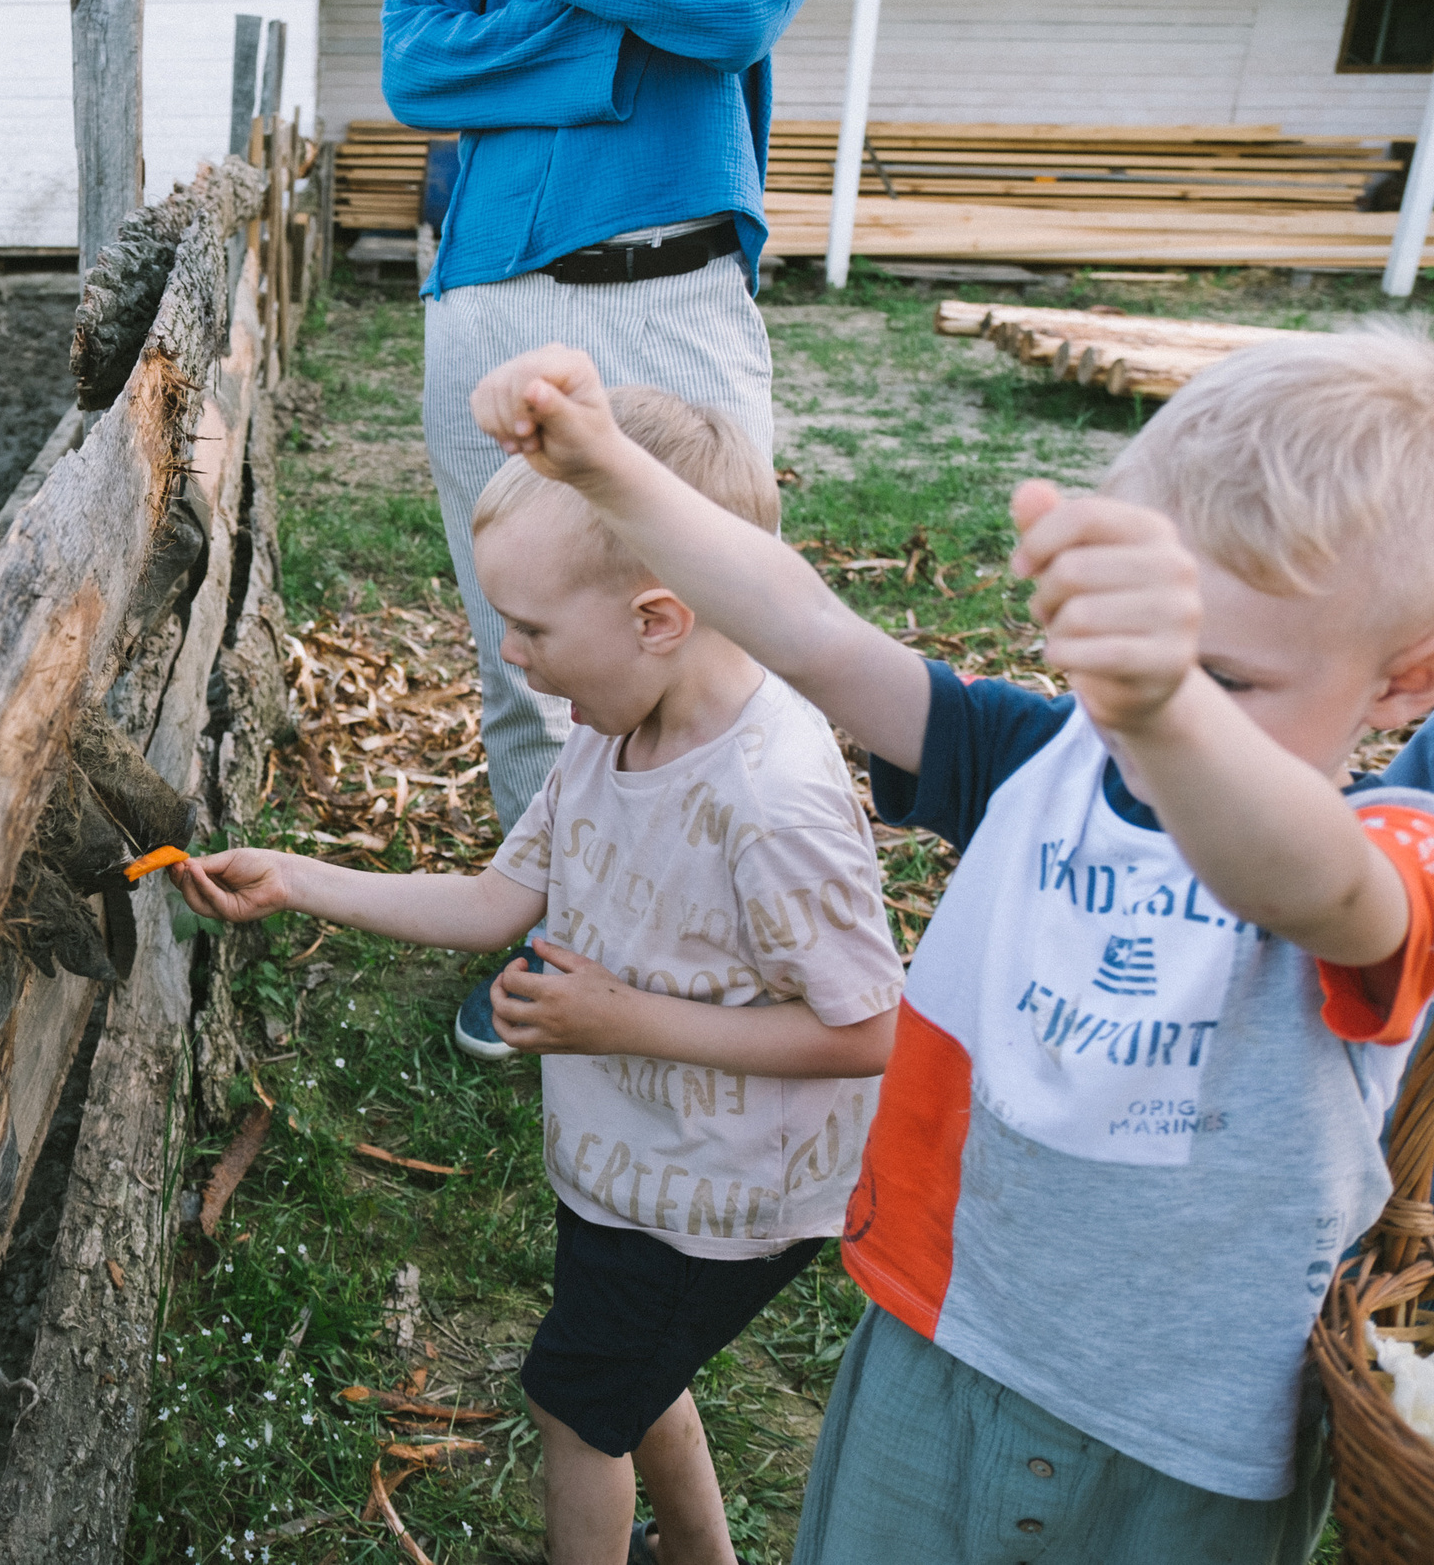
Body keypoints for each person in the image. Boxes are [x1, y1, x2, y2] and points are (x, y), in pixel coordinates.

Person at [469, 329, 1434, 1563]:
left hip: (1191, 1432)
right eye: (1121, 653)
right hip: (941, 1332)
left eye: (1222, 679)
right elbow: (809, 630)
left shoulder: (1381, 858)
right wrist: (604, 467)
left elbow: (1310, 888)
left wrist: (1158, 705)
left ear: (1402, 687)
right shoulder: (1047, 763)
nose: (1134, 701)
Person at [171, 388, 903, 1565]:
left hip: (722, 1205)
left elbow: (868, 1031)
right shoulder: (613, 738)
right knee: (623, 1376)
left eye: (532, 629)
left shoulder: (771, 804)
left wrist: (621, 1018)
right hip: (630, 1170)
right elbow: (495, 903)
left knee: (575, 1406)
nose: (507, 653)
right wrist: (300, 880)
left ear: (658, 617)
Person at [381, 0, 846, 1057]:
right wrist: (619, 48)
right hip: (487, 293)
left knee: (723, 626)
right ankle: (559, 938)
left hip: (672, 286)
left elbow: (737, 3)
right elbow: (416, 60)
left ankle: (716, 942)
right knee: (526, 644)